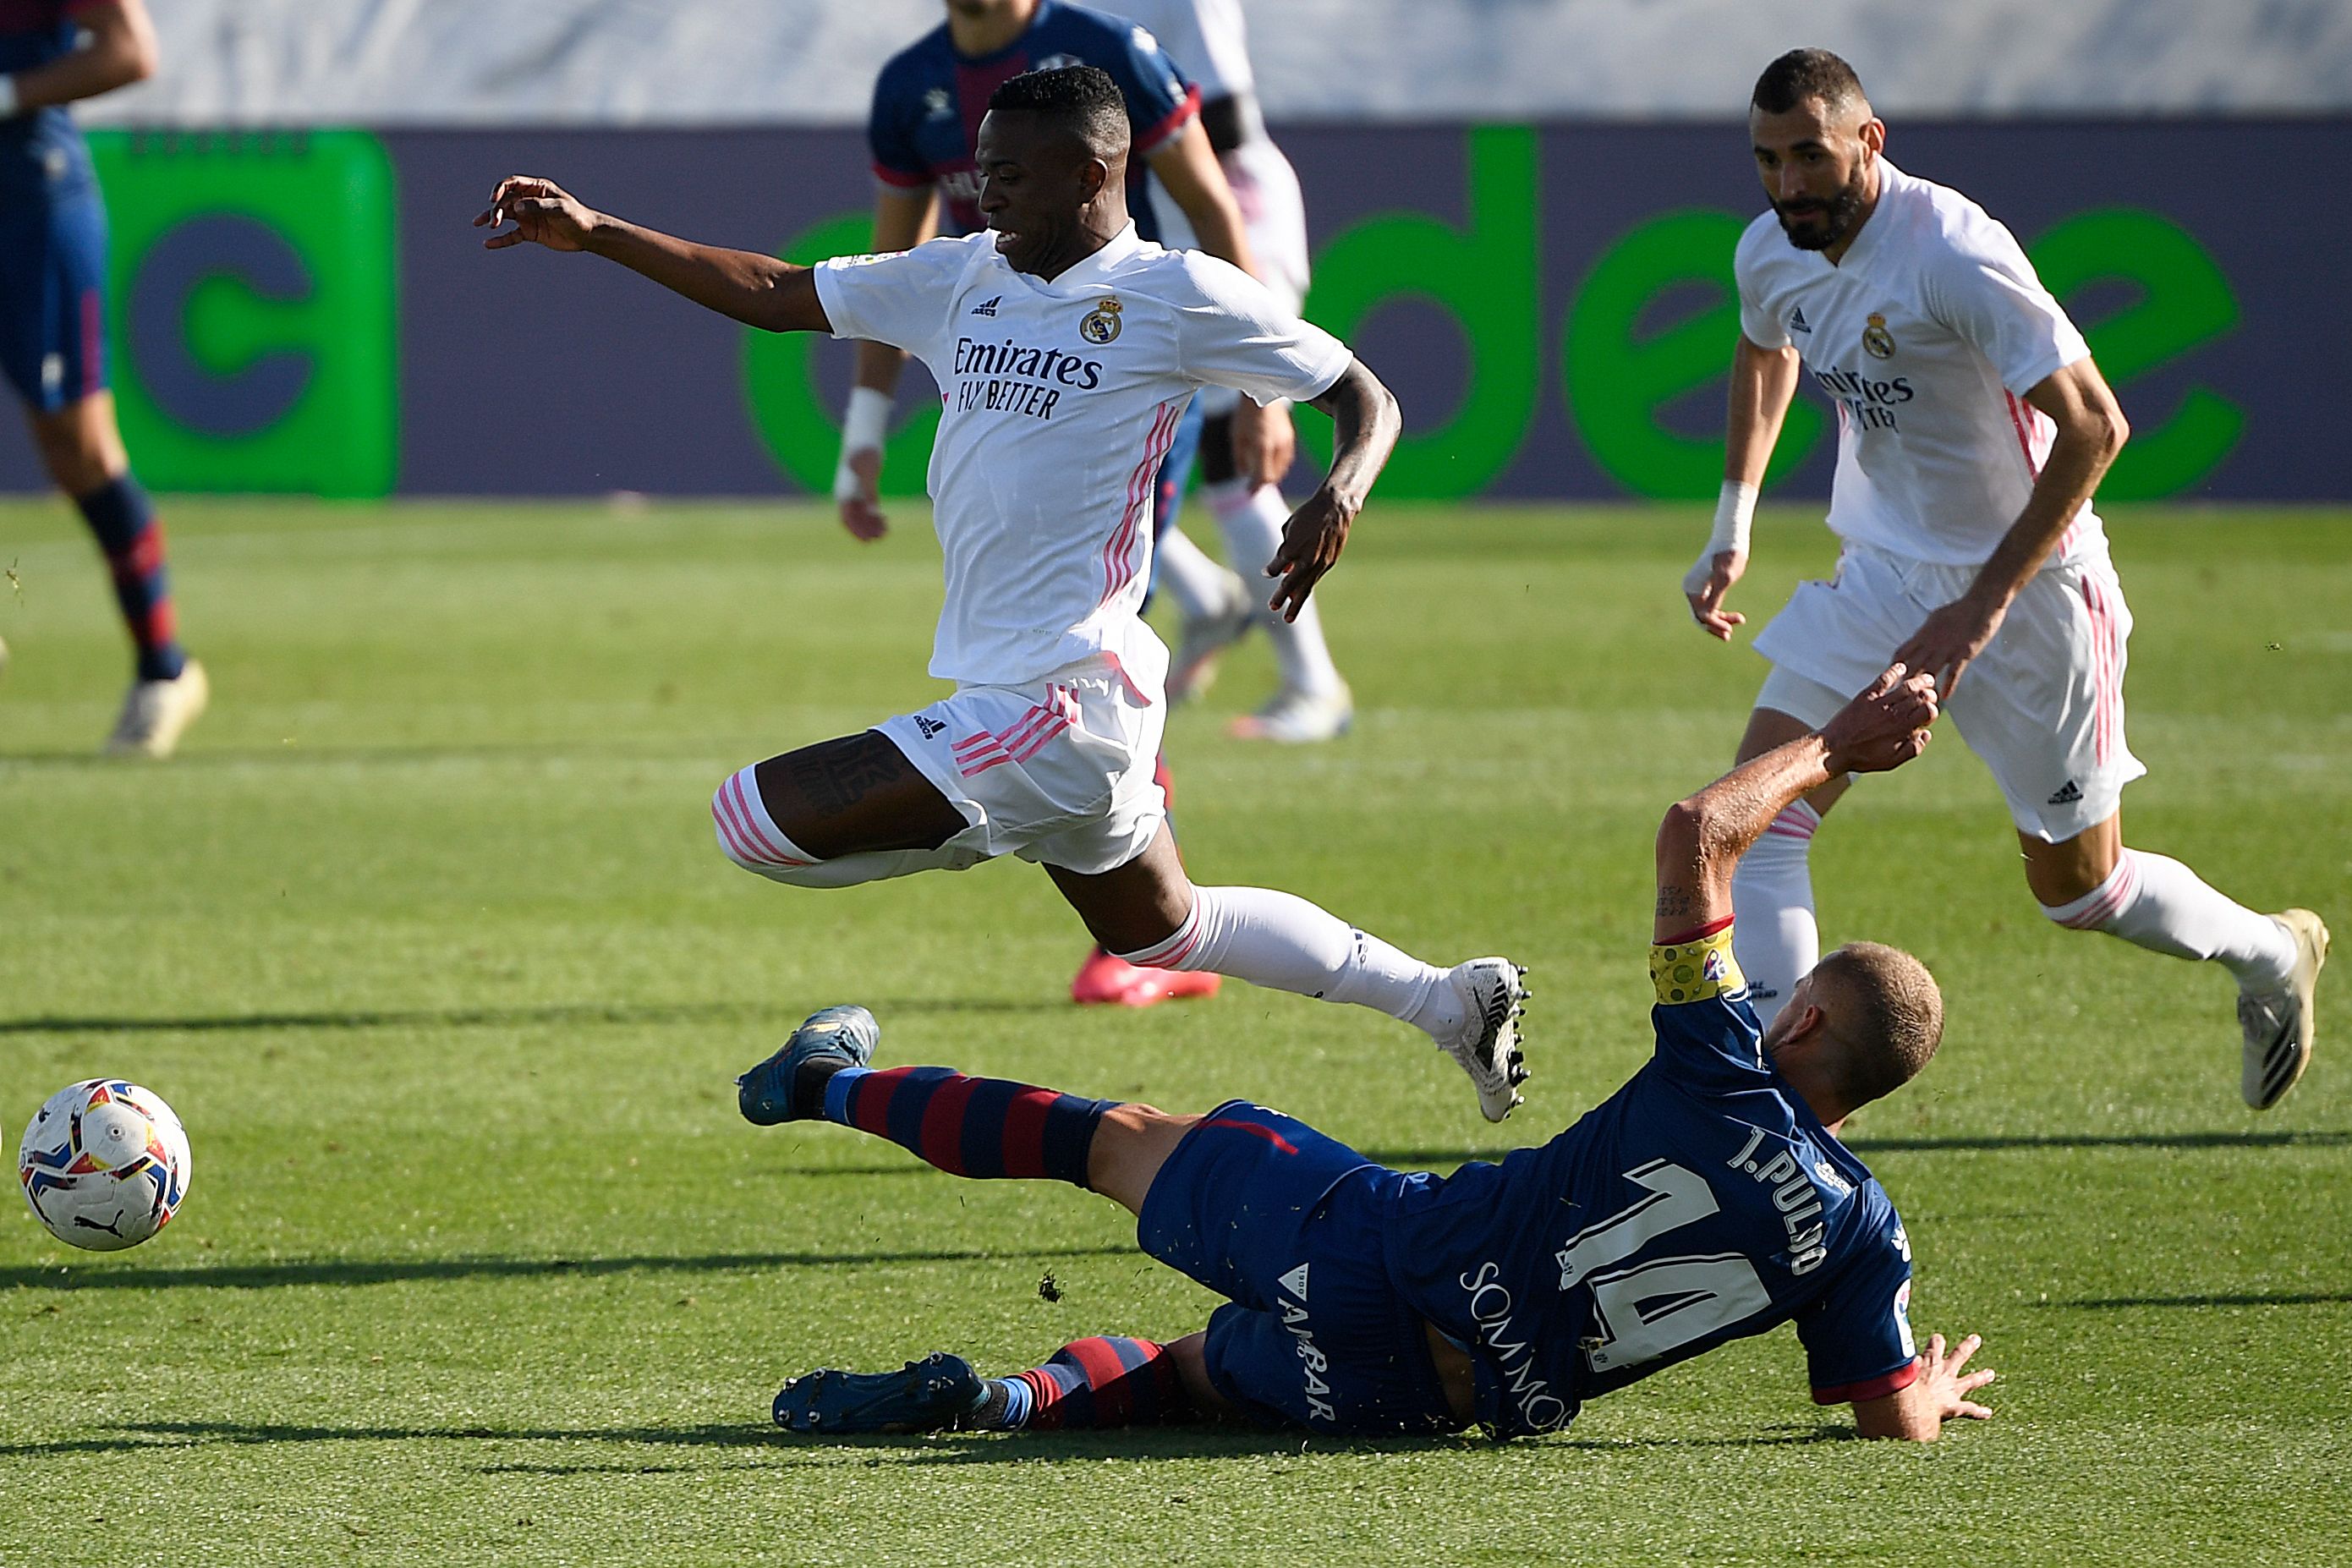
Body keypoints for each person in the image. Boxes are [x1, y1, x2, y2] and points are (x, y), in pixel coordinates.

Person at [475, 66, 1530, 1121]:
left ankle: (970, 837)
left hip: (1063, 700)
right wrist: (598, 230)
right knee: (1165, 933)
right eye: (981, 171)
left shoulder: (1178, 294)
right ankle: (1449, 1002)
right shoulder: (960, 275)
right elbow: (772, 292)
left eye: (1012, 175)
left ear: (1095, 173)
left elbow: (1365, 393)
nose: (986, 193)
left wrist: (1339, 492)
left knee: (749, 821)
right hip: (1047, 701)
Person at [749, 661, 1995, 1444]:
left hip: (1388, 1250)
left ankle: (821, 1081)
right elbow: (1888, 1411)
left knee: (1110, 1139)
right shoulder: (1862, 1233)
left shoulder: (1724, 1065)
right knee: (1188, 1378)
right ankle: (1002, 1401)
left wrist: (1836, 743)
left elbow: (1697, 834)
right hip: (1434, 1403)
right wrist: (1927, 1401)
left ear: (1807, 1023)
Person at [1684, 48, 2327, 1110]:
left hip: (2031, 594)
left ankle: (2267, 954)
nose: (1789, 183)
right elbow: (1766, 352)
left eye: (1810, 155)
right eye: (1768, 160)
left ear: (1868, 140)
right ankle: (1779, 1105)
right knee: (1756, 815)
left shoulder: (1952, 250)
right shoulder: (1771, 252)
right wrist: (1734, 520)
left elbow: (2097, 424)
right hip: (1886, 572)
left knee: (2080, 891)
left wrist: (1972, 617)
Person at [834, 0, 1301, 1003]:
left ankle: (1144, 929)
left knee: (1096, 625)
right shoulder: (907, 85)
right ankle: (1144, 911)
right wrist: (863, 434)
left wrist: (1260, 388)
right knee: (1068, 605)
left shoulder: (1105, 54)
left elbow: (1212, 209)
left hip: (1129, 362)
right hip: (1005, 357)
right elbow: (885, 259)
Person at [1111, 0, 1353, 742]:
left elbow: (1223, 121)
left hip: (1228, 214)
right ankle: (1207, 599)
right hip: (1160, 224)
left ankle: (1313, 684)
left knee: (1236, 458)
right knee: (1126, 444)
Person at [0, 0, 206, 757]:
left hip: (30, 199)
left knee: (78, 448)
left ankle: (164, 670)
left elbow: (130, 51)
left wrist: (7, 92)